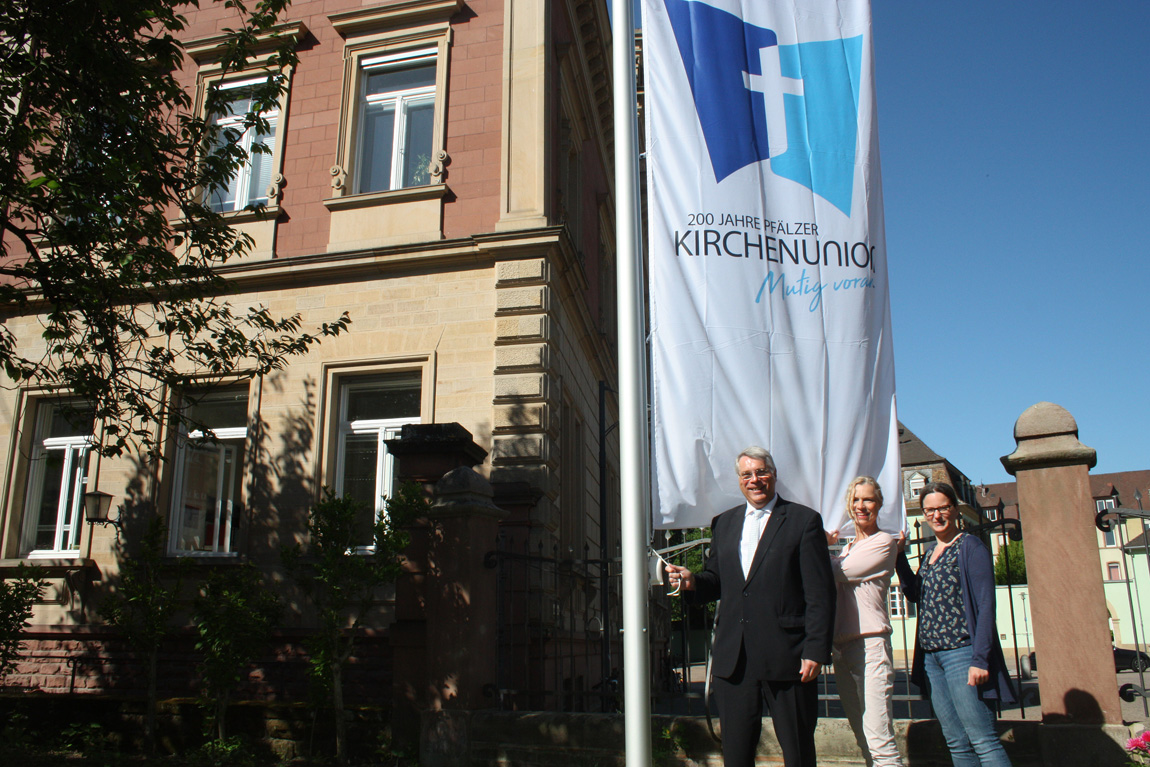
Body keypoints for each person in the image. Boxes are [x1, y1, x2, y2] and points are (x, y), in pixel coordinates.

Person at [664, 446, 835, 767]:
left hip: (788, 657)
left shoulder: (803, 521)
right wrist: (691, 582)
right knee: (737, 755)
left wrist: (815, 649)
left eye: (760, 472)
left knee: (798, 752)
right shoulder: (724, 524)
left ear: (773, 475)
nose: (754, 480)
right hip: (735, 661)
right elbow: (716, 580)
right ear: (739, 480)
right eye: (746, 474)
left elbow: (820, 593)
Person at [895, 482, 1015, 767]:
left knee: (983, 740)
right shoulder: (930, 555)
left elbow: (986, 606)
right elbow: (914, 593)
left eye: (942, 508)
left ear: (955, 509)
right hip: (931, 659)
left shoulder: (970, 547)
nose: (936, 516)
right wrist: (900, 556)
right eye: (930, 510)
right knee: (956, 742)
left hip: (962, 654)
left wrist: (980, 659)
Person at [827, 477, 904, 767]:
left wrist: (817, 544)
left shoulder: (884, 542)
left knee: (879, 740)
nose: (861, 506)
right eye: (856, 500)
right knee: (862, 739)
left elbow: (840, 572)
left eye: (868, 499)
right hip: (842, 649)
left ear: (879, 504)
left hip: (870, 645)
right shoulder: (846, 548)